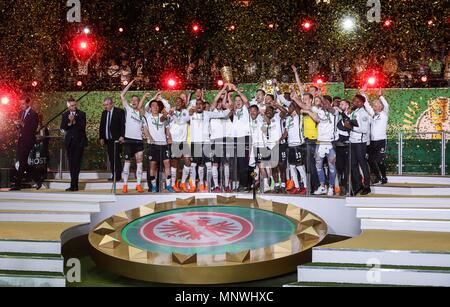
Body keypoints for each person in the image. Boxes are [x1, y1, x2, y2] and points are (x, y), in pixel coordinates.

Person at [142, 99, 174, 193]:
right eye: (153, 106)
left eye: (157, 105)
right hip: (153, 145)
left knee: (167, 163)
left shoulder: (162, 116)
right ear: (150, 108)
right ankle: (154, 186)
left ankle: (168, 185)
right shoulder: (147, 117)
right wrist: (149, 137)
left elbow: (167, 129)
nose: (155, 107)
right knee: (153, 165)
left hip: (163, 144)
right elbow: (145, 129)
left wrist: (169, 137)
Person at [120, 79, 145, 193]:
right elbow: (122, 94)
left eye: (136, 100)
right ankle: (124, 185)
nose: (134, 101)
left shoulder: (141, 113)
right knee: (127, 163)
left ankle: (138, 184)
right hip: (129, 140)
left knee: (140, 163)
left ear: (139, 103)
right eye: (133, 100)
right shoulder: (128, 109)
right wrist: (131, 83)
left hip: (139, 141)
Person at [311, 96, 339, 196]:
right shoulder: (319, 111)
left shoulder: (335, 111)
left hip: (330, 143)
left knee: (331, 166)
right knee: (318, 166)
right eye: (323, 103)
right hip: (320, 143)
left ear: (330, 103)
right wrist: (296, 98)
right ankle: (322, 186)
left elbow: (328, 106)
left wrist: (321, 98)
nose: (323, 104)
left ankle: (331, 187)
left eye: (326, 102)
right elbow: (305, 105)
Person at [345, 94, 371, 196]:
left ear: (361, 103)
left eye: (356, 101)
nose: (353, 102)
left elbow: (364, 129)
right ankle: (357, 186)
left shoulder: (363, 113)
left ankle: (367, 186)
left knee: (363, 164)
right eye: (353, 101)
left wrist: (351, 127)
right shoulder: (355, 112)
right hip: (352, 141)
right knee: (353, 165)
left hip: (360, 143)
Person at [11, 96, 39, 190]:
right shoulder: (21, 113)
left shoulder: (34, 114)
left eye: (23, 104)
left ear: (28, 103)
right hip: (21, 140)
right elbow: (20, 129)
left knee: (22, 162)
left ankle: (17, 184)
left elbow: (33, 129)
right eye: (20, 104)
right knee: (23, 162)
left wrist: (23, 124)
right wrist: (17, 125)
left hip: (28, 141)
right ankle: (37, 178)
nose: (21, 105)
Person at [60, 98, 87, 192]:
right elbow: (63, 127)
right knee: (71, 164)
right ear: (68, 106)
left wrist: (74, 121)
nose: (74, 107)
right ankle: (73, 184)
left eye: (75, 105)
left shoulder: (82, 114)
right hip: (70, 143)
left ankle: (74, 185)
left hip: (79, 142)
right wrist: (69, 122)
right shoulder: (65, 115)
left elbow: (82, 127)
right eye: (72, 105)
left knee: (76, 163)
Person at [363, 88, 389, 185]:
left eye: (376, 104)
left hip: (381, 140)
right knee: (370, 160)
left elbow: (386, 105)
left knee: (379, 161)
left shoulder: (384, 114)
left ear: (380, 106)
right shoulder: (373, 115)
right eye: (373, 104)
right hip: (372, 141)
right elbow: (367, 106)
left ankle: (384, 177)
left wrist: (380, 96)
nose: (374, 106)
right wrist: (363, 94)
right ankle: (377, 177)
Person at [167, 96, 191, 192]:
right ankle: (173, 184)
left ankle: (183, 182)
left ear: (182, 103)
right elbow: (167, 127)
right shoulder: (171, 113)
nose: (177, 103)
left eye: (179, 102)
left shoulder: (186, 112)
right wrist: (169, 138)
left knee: (187, 162)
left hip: (184, 141)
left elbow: (187, 120)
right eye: (176, 102)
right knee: (174, 164)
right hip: (175, 142)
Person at [99, 98, 125, 182]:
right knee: (111, 158)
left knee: (116, 158)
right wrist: (101, 137)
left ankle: (117, 176)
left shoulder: (119, 111)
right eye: (104, 105)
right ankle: (114, 174)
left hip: (117, 139)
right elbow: (102, 126)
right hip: (108, 140)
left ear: (111, 104)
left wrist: (122, 136)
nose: (105, 107)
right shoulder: (104, 113)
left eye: (106, 105)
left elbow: (123, 125)